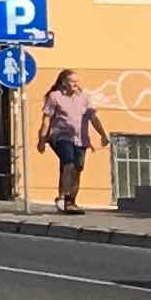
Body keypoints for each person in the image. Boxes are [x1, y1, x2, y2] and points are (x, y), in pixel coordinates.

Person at [38, 69, 107, 212]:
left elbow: (93, 118)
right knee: (68, 163)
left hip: (81, 139)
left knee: (78, 168)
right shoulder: (55, 97)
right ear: (64, 82)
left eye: (77, 81)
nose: (75, 84)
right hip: (61, 136)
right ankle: (64, 198)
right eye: (72, 81)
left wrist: (103, 134)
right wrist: (42, 139)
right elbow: (46, 119)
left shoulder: (84, 98)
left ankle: (71, 201)